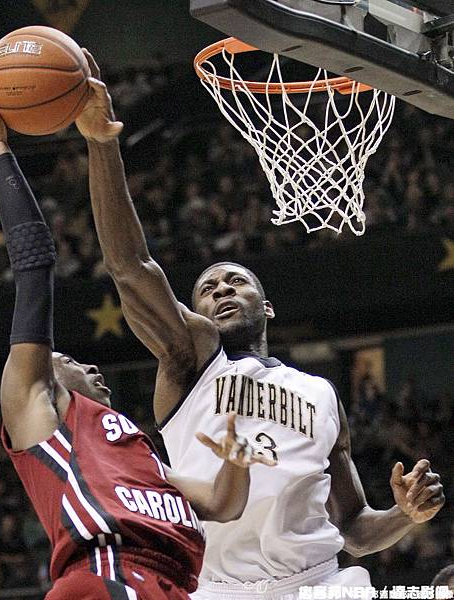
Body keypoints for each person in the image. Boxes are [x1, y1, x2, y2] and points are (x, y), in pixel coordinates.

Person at [76, 49, 447, 598]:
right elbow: (131, 269)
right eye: (208, 288)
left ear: (267, 307)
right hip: (221, 587)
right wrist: (102, 144)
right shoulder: (191, 360)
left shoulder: (320, 393)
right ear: (194, 313)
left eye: (236, 282)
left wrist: (406, 515)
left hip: (322, 583)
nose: (223, 289)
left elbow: (354, 531)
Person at [0, 53, 275, 600]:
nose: (89, 364)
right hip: (104, 578)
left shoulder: (138, 449)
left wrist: (236, 460)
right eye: (68, 363)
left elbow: (224, 504)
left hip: (169, 586)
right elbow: (36, 262)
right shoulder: (39, 412)